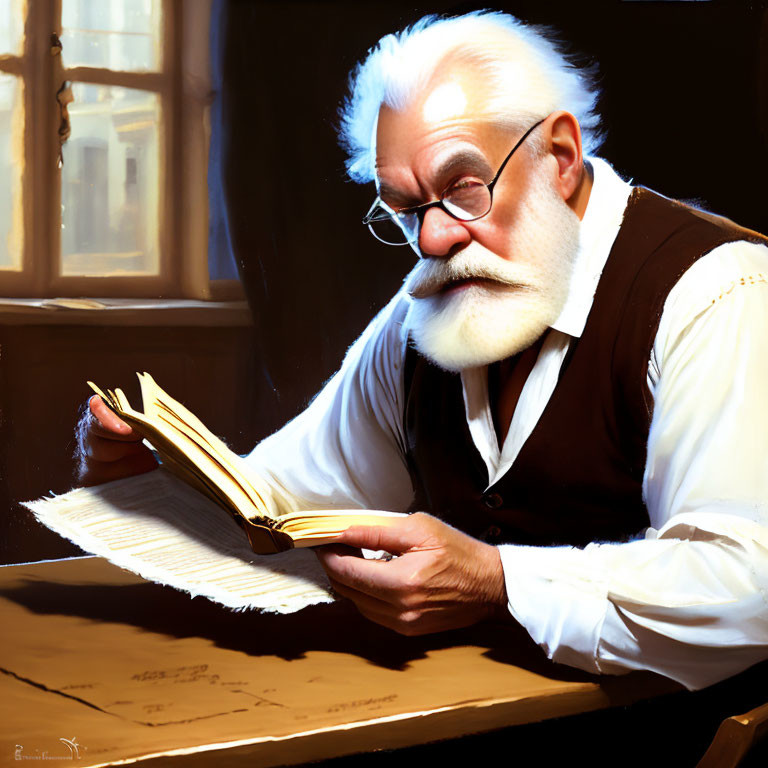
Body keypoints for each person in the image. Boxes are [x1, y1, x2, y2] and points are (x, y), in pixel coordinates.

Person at [76, 11, 768, 693]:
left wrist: (495, 581)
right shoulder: (426, 315)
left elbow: (749, 583)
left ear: (559, 156)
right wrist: (149, 486)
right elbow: (283, 506)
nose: (433, 239)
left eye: (465, 187)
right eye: (406, 209)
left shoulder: (716, 289)